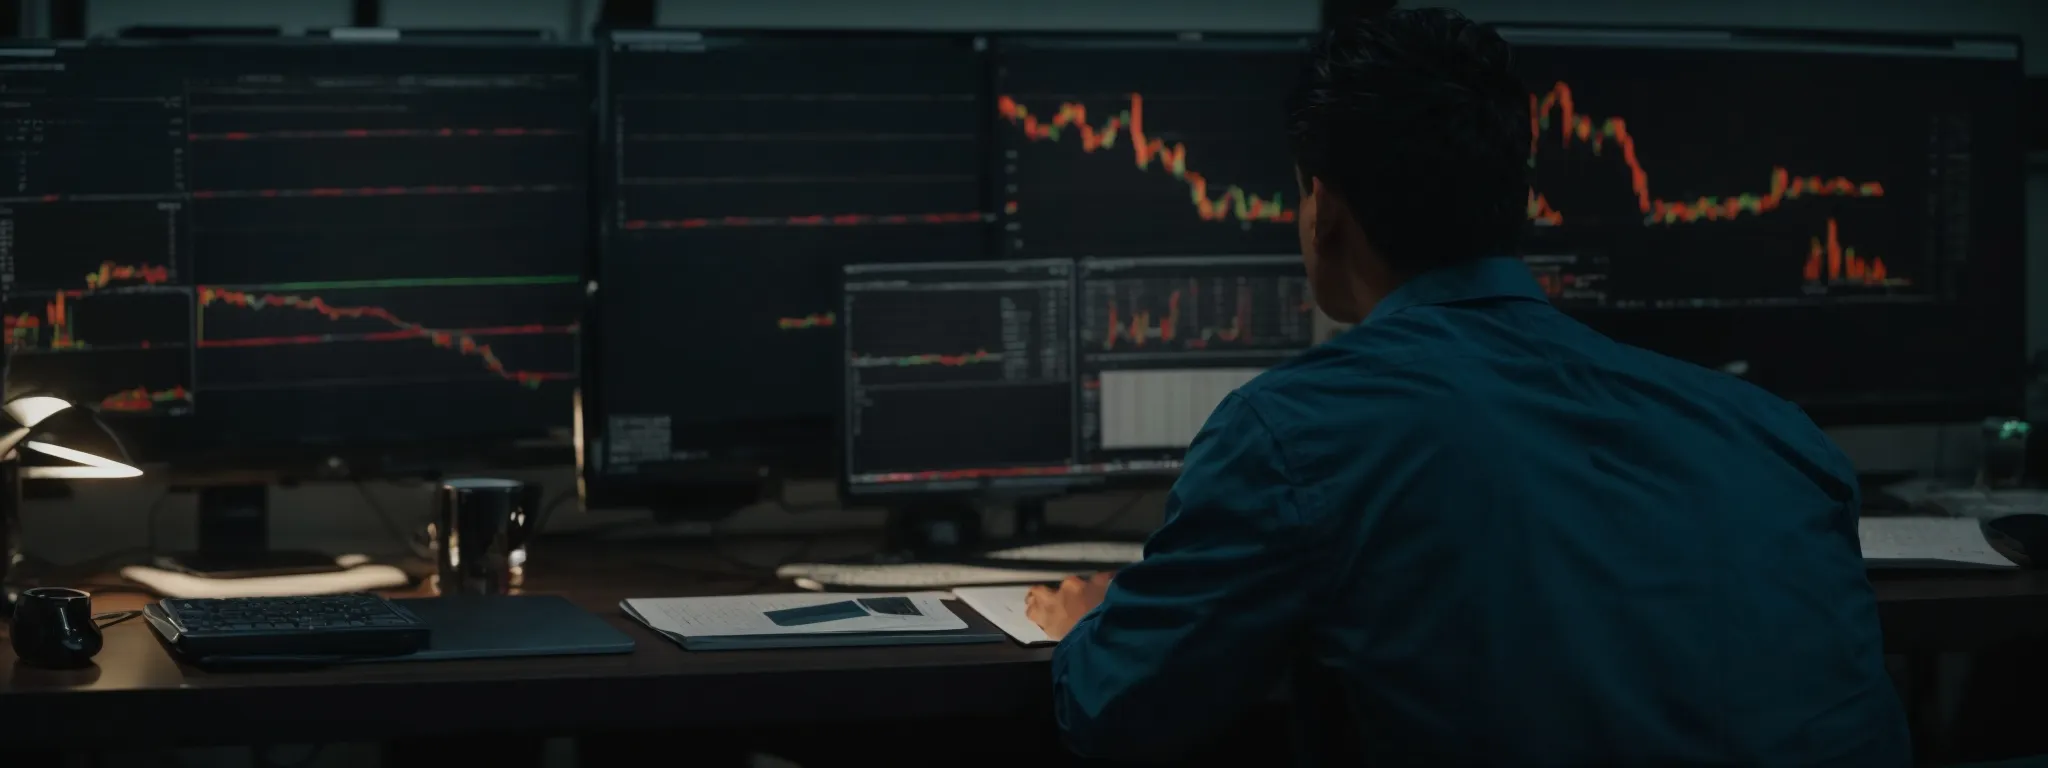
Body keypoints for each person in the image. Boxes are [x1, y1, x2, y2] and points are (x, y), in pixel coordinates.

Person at [1025, 8, 1909, 765]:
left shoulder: (1296, 435)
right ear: (1516, 203)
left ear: (1323, 213)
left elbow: (1119, 712)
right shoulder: (1776, 434)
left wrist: (1092, 629)